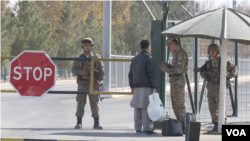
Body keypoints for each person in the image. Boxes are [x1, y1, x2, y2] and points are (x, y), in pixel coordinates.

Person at [194, 44, 238, 132]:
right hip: (210, 87)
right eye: (210, 51)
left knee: (220, 105)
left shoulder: (223, 60)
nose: (211, 52)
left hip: (220, 86)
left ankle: (222, 123)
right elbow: (203, 75)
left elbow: (234, 69)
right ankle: (216, 124)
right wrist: (204, 72)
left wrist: (229, 76)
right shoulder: (208, 62)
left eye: (213, 50)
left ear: (217, 51)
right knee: (212, 106)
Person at [71, 38, 105, 130]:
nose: (88, 46)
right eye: (86, 45)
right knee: (80, 103)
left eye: (89, 45)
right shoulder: (79, 58)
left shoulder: (96, 57)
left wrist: (99, 81)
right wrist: (81, 72)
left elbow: (102, 71)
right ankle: (79, 123)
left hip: (93, 83)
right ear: (83, 46)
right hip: (83, 83)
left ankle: (96, 123)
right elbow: (73, 70)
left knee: (94, 103)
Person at [128, 40, 157, 135]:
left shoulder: (134, 59)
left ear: (140, 48)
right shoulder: (149, 58)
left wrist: (132, 86)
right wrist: (154, 86)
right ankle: (146, 128)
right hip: (146, 86)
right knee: (146, 108)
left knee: (137, 107)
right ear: (149, 47)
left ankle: (137, 127)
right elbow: (151, 73)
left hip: (137, 87)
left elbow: (130, 74)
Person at [160, 37, 188, 134]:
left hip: (178, 80)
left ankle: (184, 125)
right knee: (175, 104)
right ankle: (181, 124)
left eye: (169, 47)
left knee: (179, 104)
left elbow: (179, 70)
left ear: (173, 44)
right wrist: (169, 66)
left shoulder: (181, 54)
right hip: (175, 80)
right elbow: (176, 67)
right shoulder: (177, 54)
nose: (169, 49)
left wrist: (166, 70)